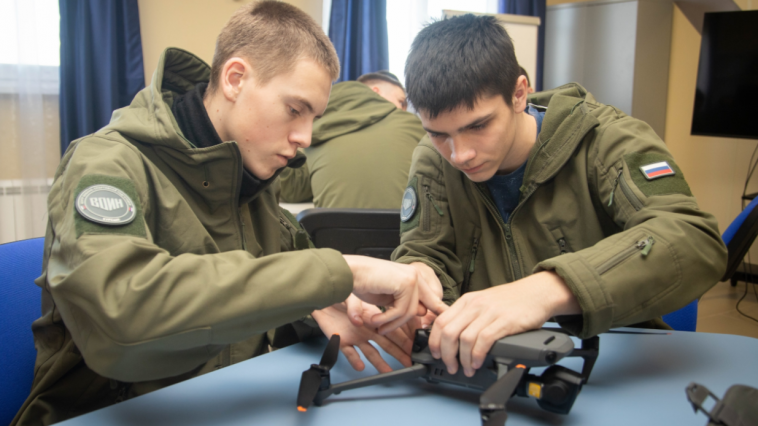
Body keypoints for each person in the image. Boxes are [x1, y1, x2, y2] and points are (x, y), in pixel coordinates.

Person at [11, 3, 444, 425]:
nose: (305, 137)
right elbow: (121, 317)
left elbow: (281, 283)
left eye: (314, 117)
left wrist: (319, 307)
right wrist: (343, 272)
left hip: (224, 405)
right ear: (235, 79)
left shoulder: (252, 180)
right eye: (294, 110)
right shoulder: (105, 164)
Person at [389, 14, 727, 379]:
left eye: (479, 125)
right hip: (487, 367)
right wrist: (419, 278)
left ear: (519, 94)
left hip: (608, 365)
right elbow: (427, 250)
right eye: (439, 134)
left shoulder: (606, 140)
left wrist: (546, 291)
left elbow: (693, 240)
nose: (460, 155)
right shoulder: (432, 157)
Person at [278, 71, 425, 208]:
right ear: (376, 92)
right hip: (403, 227)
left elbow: (293, 191)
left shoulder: (311, 130)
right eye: (401, 102)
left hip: (333, 227)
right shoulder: (412, 124)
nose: (402, 109)